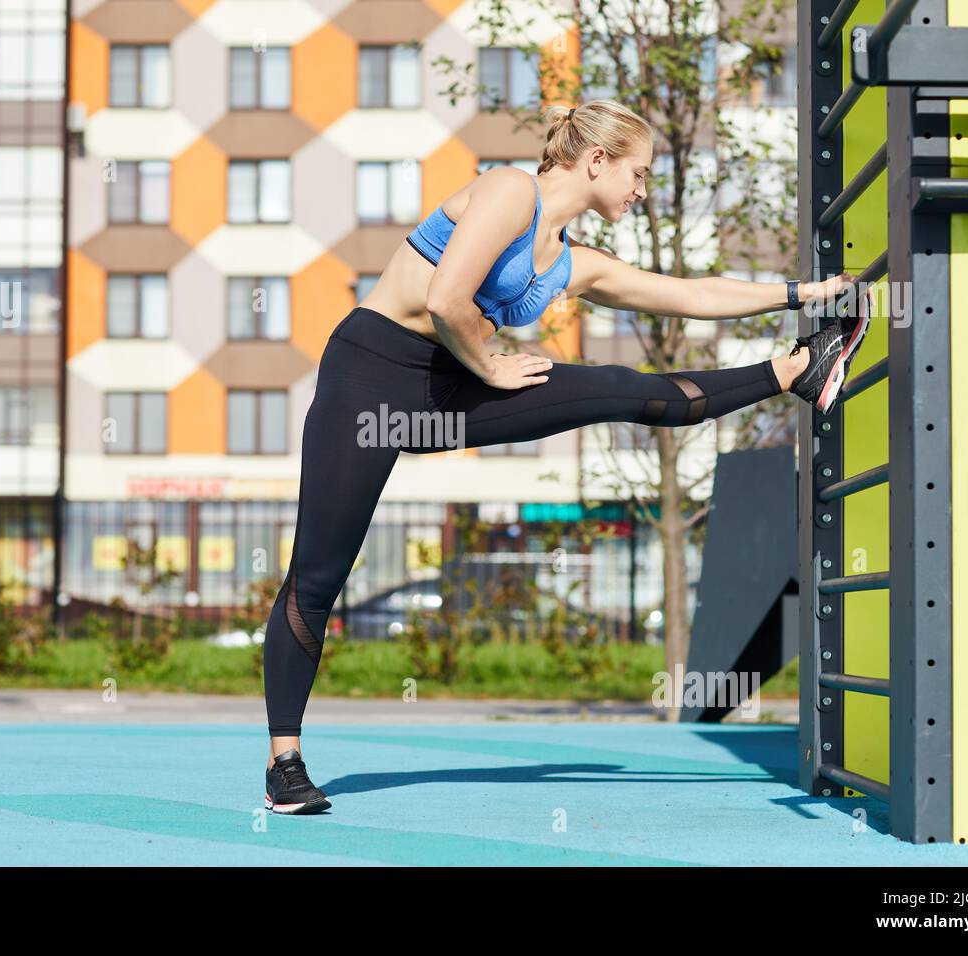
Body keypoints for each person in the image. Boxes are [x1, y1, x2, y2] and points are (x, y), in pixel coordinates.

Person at [262, 100, 869, 814]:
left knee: (619, 389)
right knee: (319, 574)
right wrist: (489, 367)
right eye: (639, 174)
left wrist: (805, 292)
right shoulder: (508, 192)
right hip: (369, 382)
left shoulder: (572, 261)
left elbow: (690, 294)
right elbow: (444, 295)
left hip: (455, 379)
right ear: (597, 161)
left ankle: (794, 370)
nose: (642, 190)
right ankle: (285, 762)